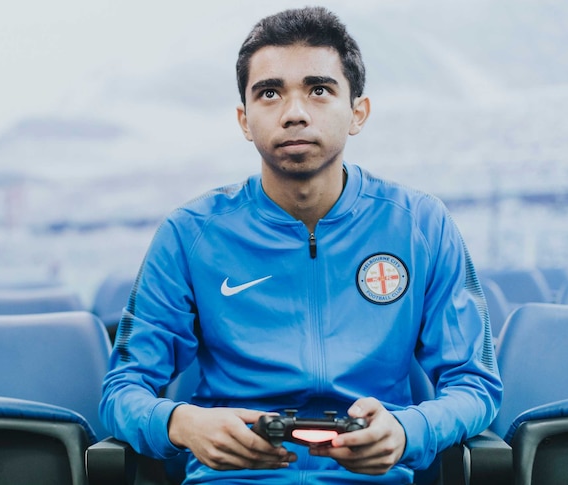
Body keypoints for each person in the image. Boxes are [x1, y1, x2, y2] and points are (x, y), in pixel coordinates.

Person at [99, 6, 502, 484]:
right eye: (269, 93)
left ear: (357, 112)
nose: (294, 113)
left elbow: (474, 385)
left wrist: (408, 430)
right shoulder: (189, 233)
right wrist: (181, 423)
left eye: (319, 90)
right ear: (245, 120)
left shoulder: (421, 225)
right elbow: (122, 389)